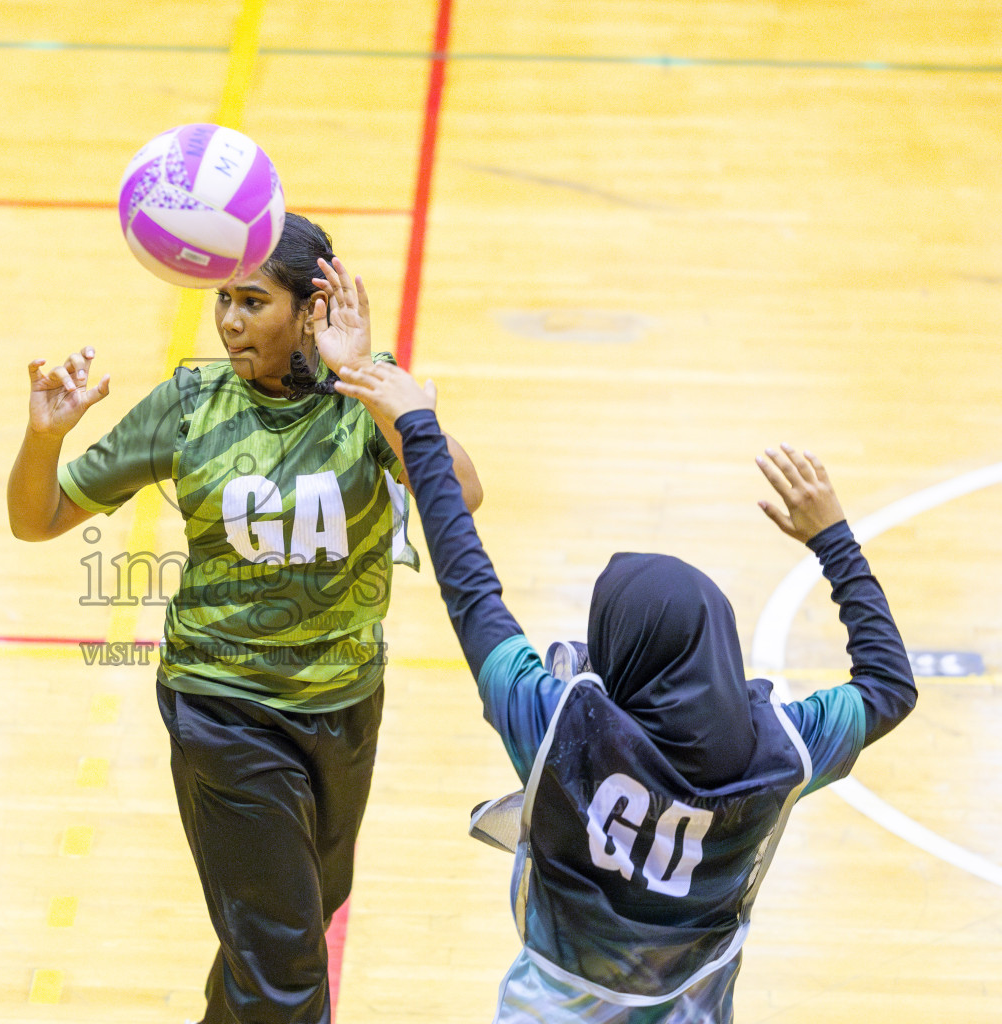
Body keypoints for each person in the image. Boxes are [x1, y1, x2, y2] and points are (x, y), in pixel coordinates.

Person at [332, 360, 917, 1024]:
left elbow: (468, 582)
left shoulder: (559, 728)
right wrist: (833, 539)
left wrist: (416, 426)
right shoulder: (784, 751)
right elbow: (889, 685)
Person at [6, 213, 483, 1024]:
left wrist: (367, 378)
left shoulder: (369, 392)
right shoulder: (190, 405)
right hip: (222, 709)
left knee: (284, 932)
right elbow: (36, 516)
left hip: (343, 704)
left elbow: (459, 495)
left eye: (251, 301)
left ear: (312, 308)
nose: (228, 320)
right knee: (286, 967)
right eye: (223, 299)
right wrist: (43, 437)